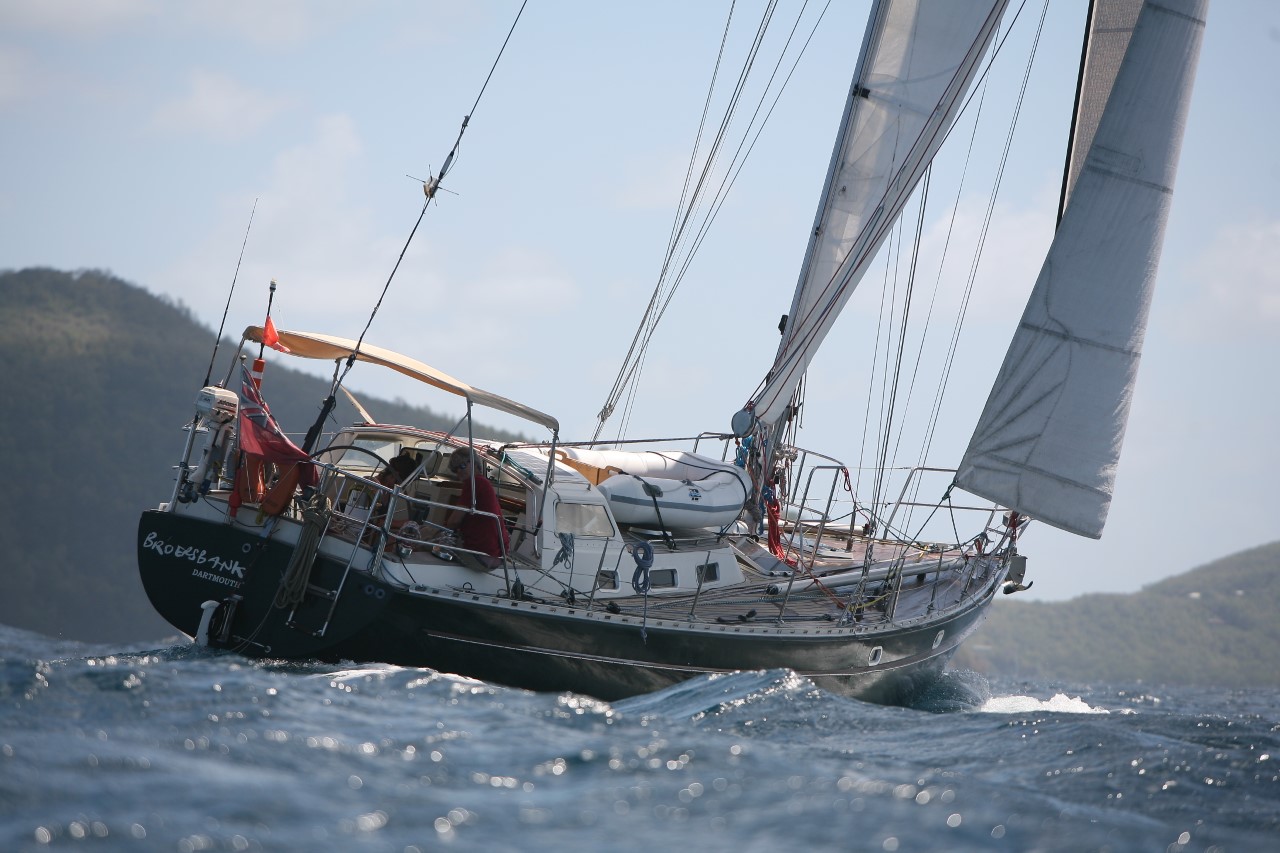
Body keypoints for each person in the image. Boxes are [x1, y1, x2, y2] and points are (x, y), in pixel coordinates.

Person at [443, 447, 509, 570]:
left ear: (473, 463)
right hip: (495, 557)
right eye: (455, 469)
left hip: (480, 558)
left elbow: (454, 521)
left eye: (462, 466)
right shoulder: (482, 482)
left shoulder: (473, 483)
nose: (459, 472)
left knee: (425, 536)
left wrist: (439, 530)